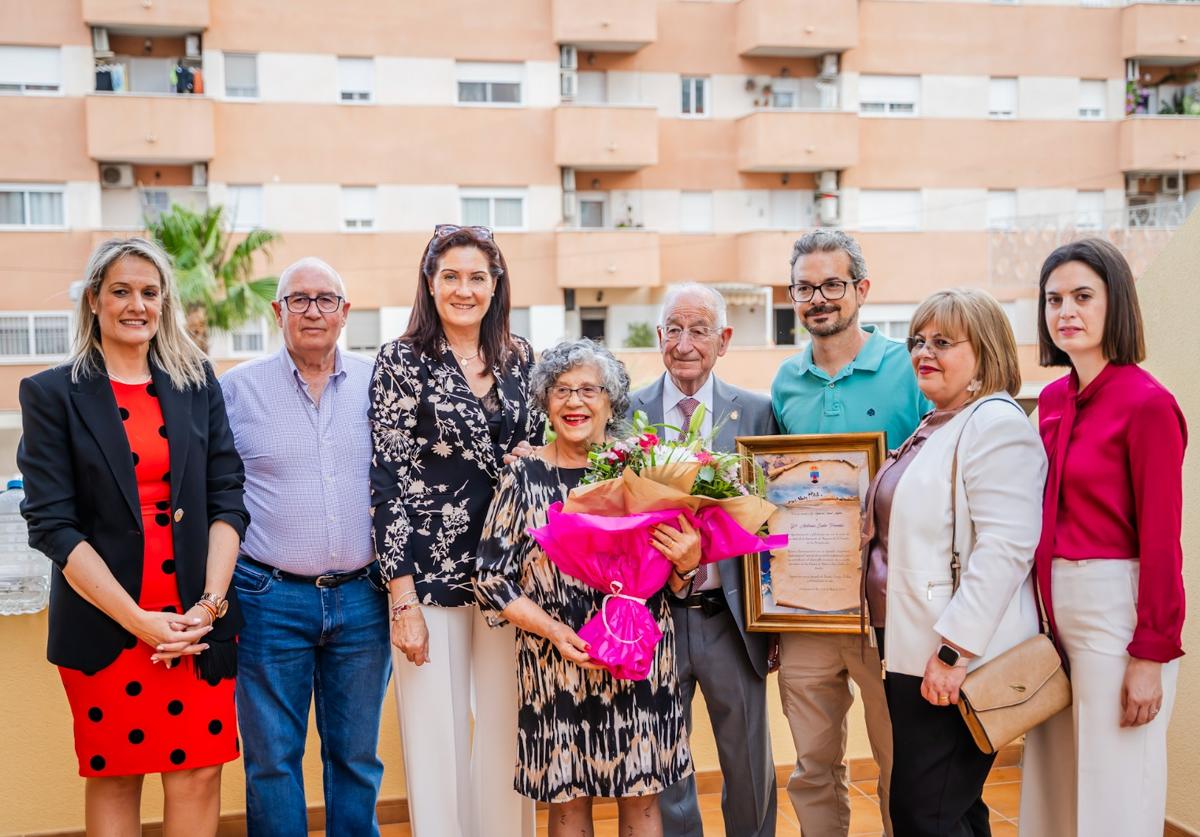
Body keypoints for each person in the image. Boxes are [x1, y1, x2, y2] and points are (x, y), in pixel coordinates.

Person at [16, 237, 247, 835]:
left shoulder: (197, 381)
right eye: (121, 291)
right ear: (94, 299)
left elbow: (227, 496)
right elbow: (52, 525)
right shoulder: (50, 394)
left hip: (198, 617)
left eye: (150, 292)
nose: (137, 304)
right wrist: (139, 620)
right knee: (116, 774)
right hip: (106, 620)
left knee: (198, 774)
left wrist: (208, 606)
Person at [475, 339, 692, 837]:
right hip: (555, 663)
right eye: (561, 390)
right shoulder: (523, 476)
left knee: (641, 799)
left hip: (638, 657)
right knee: (568, 803)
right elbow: (491, 578)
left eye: (588, 390)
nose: (574, 402)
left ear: (611, 401)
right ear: (545, 403)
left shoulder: (642, 473)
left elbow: (672, 575)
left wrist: (687, 563)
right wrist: (555, 632)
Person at [370, 224, 540, 837]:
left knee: (505, 730)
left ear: (496, 286)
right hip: (427, 574)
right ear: (430, 283)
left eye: (477, 277)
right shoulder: (400, 360)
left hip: (509, 575)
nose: (464, 289)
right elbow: (386, 481)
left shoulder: (523, 359)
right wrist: (402, 598)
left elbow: (550, 456)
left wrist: (534, 456)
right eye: (451, 276)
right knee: (433, 736)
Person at [1018, 239, 1187, 837]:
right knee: (1053, 783)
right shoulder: (1054, 400)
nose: (1066, 310)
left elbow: (1164, 541)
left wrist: (1150, 653)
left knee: (1115, 789)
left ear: (1115, 304)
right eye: (1054, 299)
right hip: (1052, 615)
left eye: (1083, 296)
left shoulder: (1148, 404)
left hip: (1118, 612)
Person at [863, 288, 1046, 835]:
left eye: (943, 342)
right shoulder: (938, 422)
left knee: (924, 812)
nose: (924, 351)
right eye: (918, 340)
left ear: (985, 350)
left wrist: (953, 650)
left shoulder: (995, 423)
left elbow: (1007, 548)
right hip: (909, 645)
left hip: (951, 658)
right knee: (953, 806)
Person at [220, 258, 392, 836]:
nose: (313, 310)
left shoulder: (381, 383)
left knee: (356, 758)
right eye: (299, 299)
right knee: (271, 761)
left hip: (365, 598)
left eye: (326, 299)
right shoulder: (236, 390)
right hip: (269, 597)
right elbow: (214, 493)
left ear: (345, 313)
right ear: (277, 312)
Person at [770, 229, 929, 836]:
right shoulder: (784, 382)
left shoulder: (908, 367)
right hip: (810, 608)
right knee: (812, 765)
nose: (819, 299)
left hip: (891, 608)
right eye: (805, 288)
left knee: (902, 762)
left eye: (832, 285)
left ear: (861, 289)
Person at [627, 283, 778, 837]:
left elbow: (773, 519)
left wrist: (776, 618)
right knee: (667, 764)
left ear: (724, 340)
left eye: (699, 330)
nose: (685, 343)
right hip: (654, 619)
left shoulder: (760, 413)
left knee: (749, 764)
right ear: (660, 337)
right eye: (674, 329)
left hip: (730, 618)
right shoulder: (626, 412)